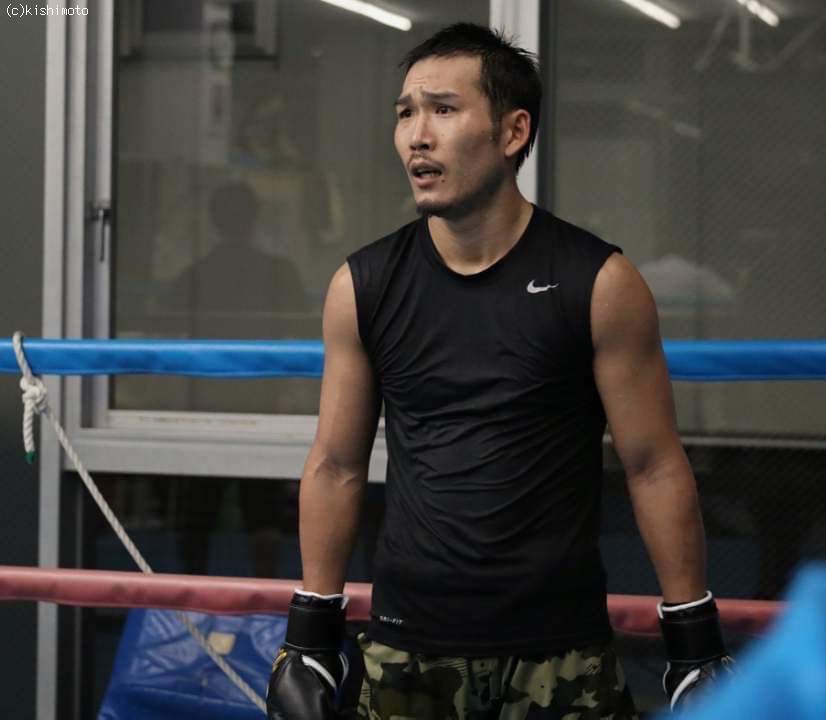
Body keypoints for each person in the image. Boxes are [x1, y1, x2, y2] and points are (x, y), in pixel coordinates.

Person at [267, 23, 731, 719]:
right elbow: (335, 465)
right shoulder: (364, 285)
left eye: (443, 110)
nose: (417, 136)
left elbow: (653, 465)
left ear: (514, 132)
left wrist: (694, 644)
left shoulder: (599, 283)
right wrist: (309, 637)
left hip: (560, 651)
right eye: (405, 113)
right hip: (406, 648)